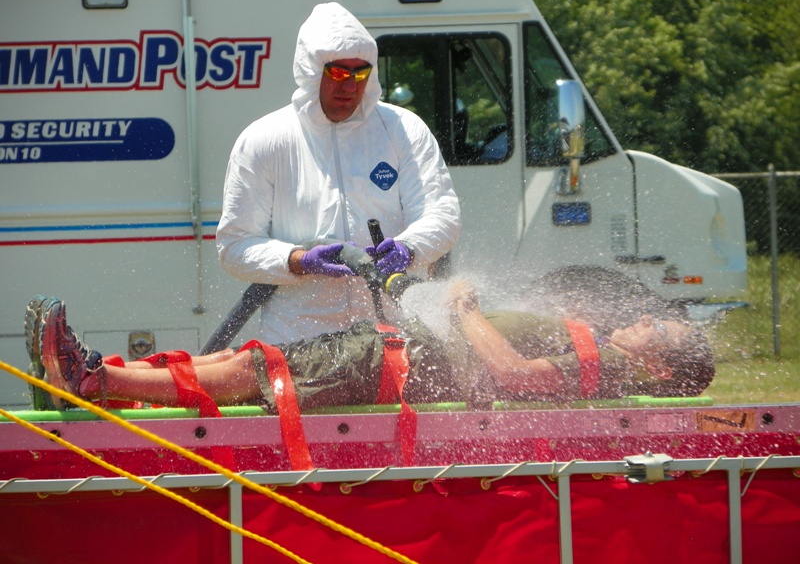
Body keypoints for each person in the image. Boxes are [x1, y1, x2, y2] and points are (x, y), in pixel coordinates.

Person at [30, 278, 713, 412]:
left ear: (658, 367)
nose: (646, 319)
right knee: (240, 361)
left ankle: (93, 381)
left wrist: (466, 308)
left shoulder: (608, 366)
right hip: (394, 350)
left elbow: (516, 375)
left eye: (662, 331)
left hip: (399, 365)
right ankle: (98, 375)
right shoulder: (604, 356)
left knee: (253, 369)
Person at [216, 2, 461, 345]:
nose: (350, 86)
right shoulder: (264, 140)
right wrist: (298, 261)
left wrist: (409, 248)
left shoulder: (403, 130)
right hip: (298, 341)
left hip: (392, 337)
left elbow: (443, 214)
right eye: (338, 73)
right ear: (311, 70)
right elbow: (235, 247)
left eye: (360, 73)